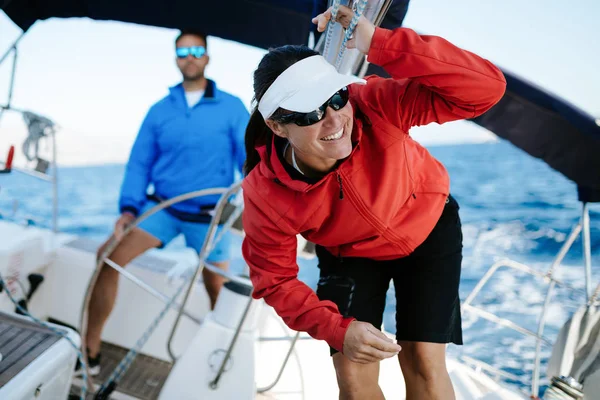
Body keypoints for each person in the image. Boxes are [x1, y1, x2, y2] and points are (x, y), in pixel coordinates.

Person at [241, 6, 506, 400]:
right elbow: (275, 280)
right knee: (353, 372)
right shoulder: (264, 192)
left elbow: (486, 89)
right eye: (311, 112)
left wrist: (379, 42)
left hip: (428, 224)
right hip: (349, 252)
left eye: (335, 98)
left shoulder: (375, 104)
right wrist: (337, 330)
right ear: (278, 126)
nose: (334, 121)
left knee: (422, 363)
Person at [81, 29, 249, 376]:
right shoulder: (159, 110)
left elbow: (249, 162)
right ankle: (89, 357)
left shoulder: (231, 107)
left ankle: (219, 367)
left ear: (207, 56)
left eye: (197, 49)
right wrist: (129, 209)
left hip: (210, 217)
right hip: (162, 210)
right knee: (106, 260)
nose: (190, 56)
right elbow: (139, 162)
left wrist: (257, 209)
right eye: (183, 50)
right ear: (176, 58)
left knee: (219, 287)